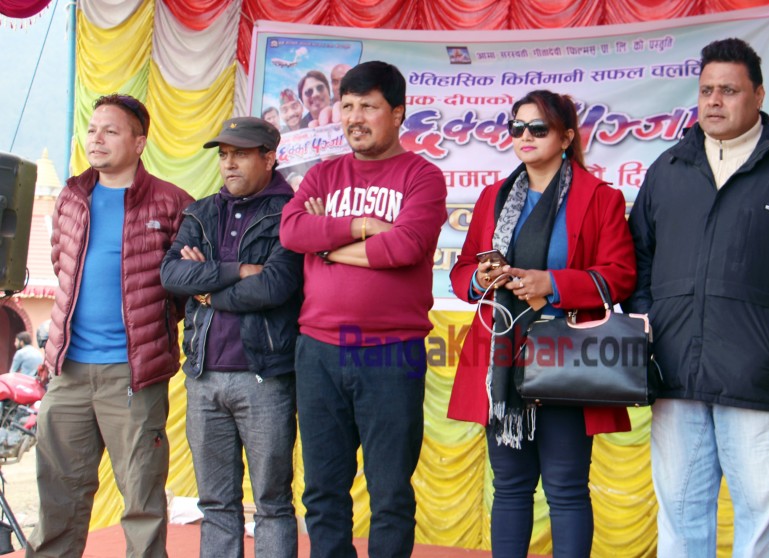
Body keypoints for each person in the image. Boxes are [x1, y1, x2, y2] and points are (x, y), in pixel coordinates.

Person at [627, 38, 769, 557]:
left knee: (759, 517)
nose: (714, 101)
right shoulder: (668, 168)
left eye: (729, 90)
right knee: (680, 515)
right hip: (673, 370)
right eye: (706, 91)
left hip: (755, 371)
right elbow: (639, 257)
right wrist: (649, 326)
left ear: (759, 95)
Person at [447, 90, 636, 557]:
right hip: (502, 357)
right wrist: (480, 277)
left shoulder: (600, 197)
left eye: (538, 128)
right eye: (517, 127)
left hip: (566, 354)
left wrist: (551, 283)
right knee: (509, 486)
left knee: (566, 487)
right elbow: (462, 272)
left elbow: (620, 276)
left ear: (566, 137)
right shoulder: (494, 197)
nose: (525, 136)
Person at [279, 60, 447, 558]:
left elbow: (406, 246)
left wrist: (326, 244)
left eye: (368, 106)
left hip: (390, 352)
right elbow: (292, 231)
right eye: (348, 106)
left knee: (389, 491)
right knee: (322, 490)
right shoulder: (324, 174)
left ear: (397, 113)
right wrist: (362, 226)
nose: (354, 117)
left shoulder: (422, 176)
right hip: (318, 351)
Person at [29, 94, 193, 558]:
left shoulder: (172, 202)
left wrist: (151, 331)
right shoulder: (71, 197)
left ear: (139, 143)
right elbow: (63, 266)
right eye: (92, 129)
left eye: (111, 131)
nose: (96, 139)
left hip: (132, 374)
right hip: (68, 372)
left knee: (142, 496)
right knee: (58, 493)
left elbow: (185, 286)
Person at [160, 117, 303, 558]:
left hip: (265, 377)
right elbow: (171, 274)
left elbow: (275, 286)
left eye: (240, 154)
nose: (229, 164)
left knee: (272, 503)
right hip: (203, 377)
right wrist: (237, 270)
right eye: (223, 155)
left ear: (269, 157)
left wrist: (206, 291)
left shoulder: (290, 213)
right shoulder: (201, 212)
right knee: (216, 503)